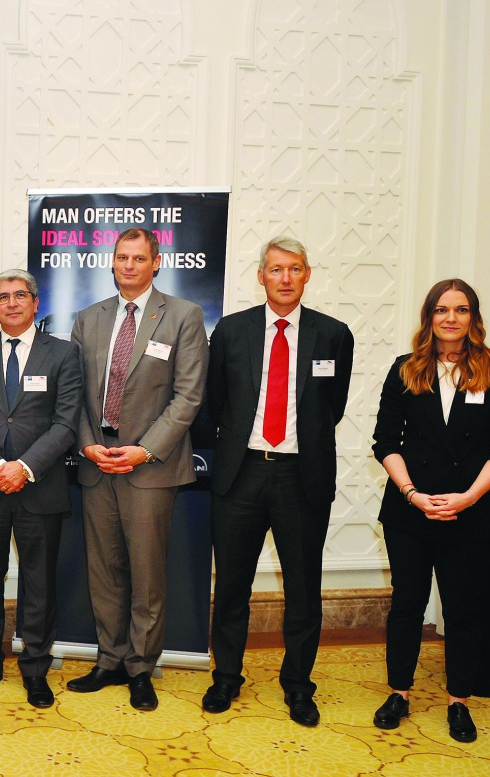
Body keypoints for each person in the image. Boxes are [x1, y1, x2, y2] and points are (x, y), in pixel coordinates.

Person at [201, 237, 354, 726]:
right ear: (261, 276)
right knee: (232, 586)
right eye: (275, 269)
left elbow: (332, 408)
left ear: (307, 274)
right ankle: (226, 677)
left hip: (301, 476)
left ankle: (298, 686)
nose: (285, 278)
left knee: (304, 590)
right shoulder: (231, 330)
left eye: (294, 269)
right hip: (241, 473)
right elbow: (215, 402)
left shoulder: (333, 334)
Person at [371, 278, 490, 743]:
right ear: (429, 317)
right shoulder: (405, 369)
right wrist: (412, 493)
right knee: (406, 606)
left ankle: (459, 702)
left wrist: (469, 497)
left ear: (473, 317)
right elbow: (385, 441)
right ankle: (399, 693)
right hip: (410, 512)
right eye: (441, 309)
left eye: (460, 309)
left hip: (471, 513)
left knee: (462, 611)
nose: (451, 318)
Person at [68, 227, 208, 711]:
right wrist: (87, 445)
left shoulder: (184, 316)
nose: (129, 265)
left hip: (148, 466)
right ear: (112, 263)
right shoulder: (88, 318)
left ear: (156, 262)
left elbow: (188, 395)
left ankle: (141, 667)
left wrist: (144, 450)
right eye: (121, 257)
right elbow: (72, 393)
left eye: (138, 258)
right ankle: (109, 659)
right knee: (104, 570)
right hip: (97, 462)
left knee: (146, 574)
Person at [0, 269, 82, 708]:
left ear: (35, 303)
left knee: (39, 582)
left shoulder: (63, 353)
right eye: (3, 297)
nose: (11, 303)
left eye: (20, 295)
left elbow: (66, 423)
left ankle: (36, 669)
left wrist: (24, 468)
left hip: (40, 486)